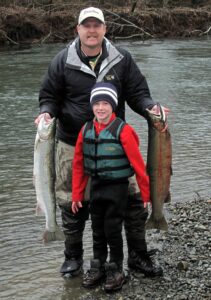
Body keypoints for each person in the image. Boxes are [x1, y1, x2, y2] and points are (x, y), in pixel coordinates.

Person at [36, 6, 166, 278]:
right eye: (87, 26)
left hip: (115, 144)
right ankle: (73, 258)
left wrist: (151, 108)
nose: (92, 30)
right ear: (78, 30)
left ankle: (139, 257)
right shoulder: (62, 61)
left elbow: (139, 93)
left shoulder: (122, 59)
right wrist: (46, 112)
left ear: (105, 29)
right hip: (72, 143)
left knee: (133, 201)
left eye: (97, 25)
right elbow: (49, 96)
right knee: (71, 202)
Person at [71, 82, 150, 292]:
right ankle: (98, 265)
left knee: (112, 229)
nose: (100, 108)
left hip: (117, 189)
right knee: (97, 229)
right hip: (96, 188)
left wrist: (146, 194)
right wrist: (77, 194)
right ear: (92, 106)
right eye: (97, 103)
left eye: (105, 103)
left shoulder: (124, 131)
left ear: (113, 105)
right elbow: (78, 165)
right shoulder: (86, 129)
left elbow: (139, 166)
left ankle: (116, 269)